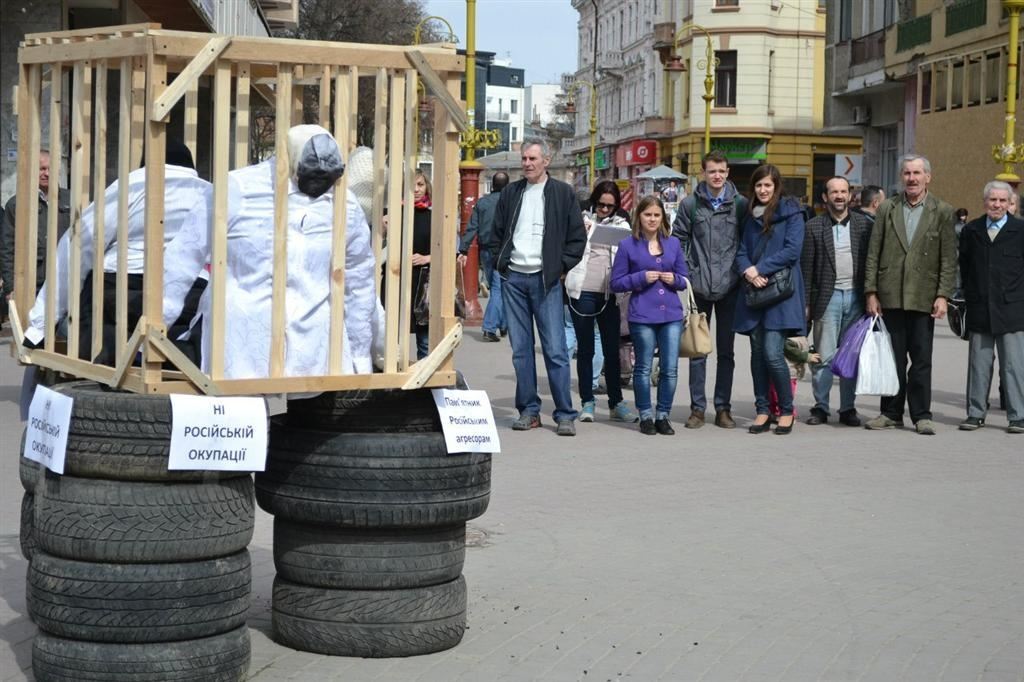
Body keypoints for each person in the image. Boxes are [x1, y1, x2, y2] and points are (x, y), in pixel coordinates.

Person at [162, 124, 376, 380]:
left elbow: (360, 279)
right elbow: (183, 257)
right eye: (312, 173)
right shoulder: (238, 189)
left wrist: (361, 355)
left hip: (316, 354)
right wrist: (158, 326)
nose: (320, 184)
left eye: (328, 176)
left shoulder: (343, 203)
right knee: (243, 406)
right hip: (242, 344)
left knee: (306, 416)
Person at [24, 140, 209, 365]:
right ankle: (178, 355)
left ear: (144, 164)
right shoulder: (209, 194)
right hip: (190, 291)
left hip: (122, 287)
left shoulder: (132, 185)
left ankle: (113, 356)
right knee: (183, 332)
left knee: (100, 331)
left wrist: (41, 325)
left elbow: (80, 245)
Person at [488, 138, 586, 436]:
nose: (527, 164)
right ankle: (529, 411)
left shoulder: (562, 193)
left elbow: (576, 238)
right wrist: (501, 264)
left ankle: (565, 413)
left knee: (555, 349)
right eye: (524, 158)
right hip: (514, 279)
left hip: (546, 280)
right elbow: (496, 233)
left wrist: (560, 268)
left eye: (533, 158)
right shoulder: (511, 193)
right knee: (520, 350)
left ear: (546, 160)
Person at [863, 154, 956, 435]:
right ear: (901, 177)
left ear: (928, 177)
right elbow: (873, 253)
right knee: (892, 358)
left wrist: (943, 295)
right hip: (890, 295)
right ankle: (890, 412)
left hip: (923, 296)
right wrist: (871, 292)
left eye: (917, 173)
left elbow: (948, 258)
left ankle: (921, 415)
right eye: (907, 173)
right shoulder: (888, 208)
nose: (912, 178)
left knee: (921, 359)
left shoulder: (942, 211)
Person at [671, 149, 748, 429]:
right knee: (697, 350)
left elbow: (747, 242)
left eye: (722, 171)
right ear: (703, 173)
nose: (717, 176)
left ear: (728, 173)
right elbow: (678, 240)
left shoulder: (740, 205)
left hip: (731, 288)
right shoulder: (691, 204)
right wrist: (688, 272)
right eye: (712, 171)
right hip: (699, 288)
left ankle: (723, 408)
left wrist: (740, 274)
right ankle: (697, 409)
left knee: (727, 352)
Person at [734, 164, 807, 436]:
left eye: (768, 185)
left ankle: (786, 410)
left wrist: (760, 269)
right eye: (758, 185)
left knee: (773, 354)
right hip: (755, 292)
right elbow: (741, 251)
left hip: (780, 293)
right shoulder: (750, 216)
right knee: (756, 356)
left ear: (776, 186)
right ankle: (762, 409)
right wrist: (749, 271)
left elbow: (792, 251)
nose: (763, 190)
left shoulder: (791, 212)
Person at [610, 195, 688, 435]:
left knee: (669, 368)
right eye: (647, 215)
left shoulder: (673, 243)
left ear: (663, 217)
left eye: (656, 215)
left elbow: (685, 279)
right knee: (643, 367)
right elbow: (616, 282)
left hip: (671, 315)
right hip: (642, 314)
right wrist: (641, 278)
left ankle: (663, 415)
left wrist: (674, 279)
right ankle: (645, 415)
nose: (652, 219)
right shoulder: (627, 245)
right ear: (639, 217)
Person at [801, 176, 872, 427]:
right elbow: (807, 269)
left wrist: (872, 296)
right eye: (834, 192)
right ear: (825, 197)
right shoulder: (813, 227)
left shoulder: (864, 225)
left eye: (843, 191)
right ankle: (820, 407)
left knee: (850, 355)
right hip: (826, 299)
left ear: (850, 195)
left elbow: (871, 265)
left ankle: (847, 408)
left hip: (856, 298)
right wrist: (807, 304)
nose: (839, 196)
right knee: (824, 356)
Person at [566, 180, 638, 424]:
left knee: (612, 348)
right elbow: (567, 247)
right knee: (585, 348)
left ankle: (616, 402)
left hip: (612, 294)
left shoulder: (622, 225)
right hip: (584, 289)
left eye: (610, 206)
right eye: (601, 205)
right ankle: (587, 401)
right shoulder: (581, 220)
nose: (605, 210)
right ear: (594, 202)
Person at [957, 180, 1024, 434]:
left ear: (1009, 204)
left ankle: (1018, 416)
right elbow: (965, 267)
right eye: (992, 200)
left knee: (1014, 366)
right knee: (978, 364)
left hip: (1013, 310)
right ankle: (975, 413)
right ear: (984, 202)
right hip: (980, 308)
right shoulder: (971, 230)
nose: (996, 204)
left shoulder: (1020, 230)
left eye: (1001, 201)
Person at [1, 151, 70, 307]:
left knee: (65, 329)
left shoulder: (70, 199)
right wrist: (10, 287)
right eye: (41, 169)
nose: (46, 173)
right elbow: (7, 248)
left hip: (65, 281)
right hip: (32, 284)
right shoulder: (17, 204)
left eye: (50, 168)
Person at [459, 172, 509, 342]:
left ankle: (502, 323)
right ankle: (490, 327)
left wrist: (463, 249)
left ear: (493, 185)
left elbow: (472, 227)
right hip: (504, 251)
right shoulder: (511, 202)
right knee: (499, 288)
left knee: (498, 287)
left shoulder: (483, 203)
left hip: (485, 251)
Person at [767, 336, 820, 421]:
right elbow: (790, 350)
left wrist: (807, 356)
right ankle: (777, 411)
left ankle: (786, 412)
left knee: (781, 392)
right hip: (786, 371)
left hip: (789, 373)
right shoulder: (791, 338)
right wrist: (807, 356)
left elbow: (793, 351)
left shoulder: (794, 338)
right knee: (776, 392)